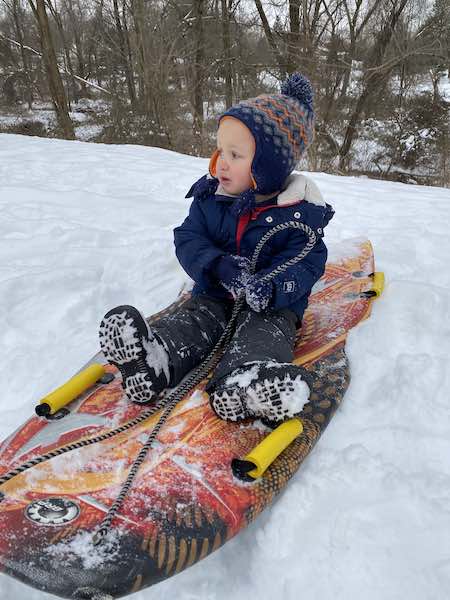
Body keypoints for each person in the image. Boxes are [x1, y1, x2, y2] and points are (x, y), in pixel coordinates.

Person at [99, 73, 334, 424]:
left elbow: (306, 263)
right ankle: (153, 361)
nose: (221, 162)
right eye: (221, 151)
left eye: (235, 154)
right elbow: (188, 237)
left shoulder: (298, 215)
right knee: (194, 322)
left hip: (270, 306)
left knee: (263, 333)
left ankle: (246, 384)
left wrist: (270, 286)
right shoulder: (211, 198)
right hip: (215, 293)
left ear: (268, 166)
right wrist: (218, 266)